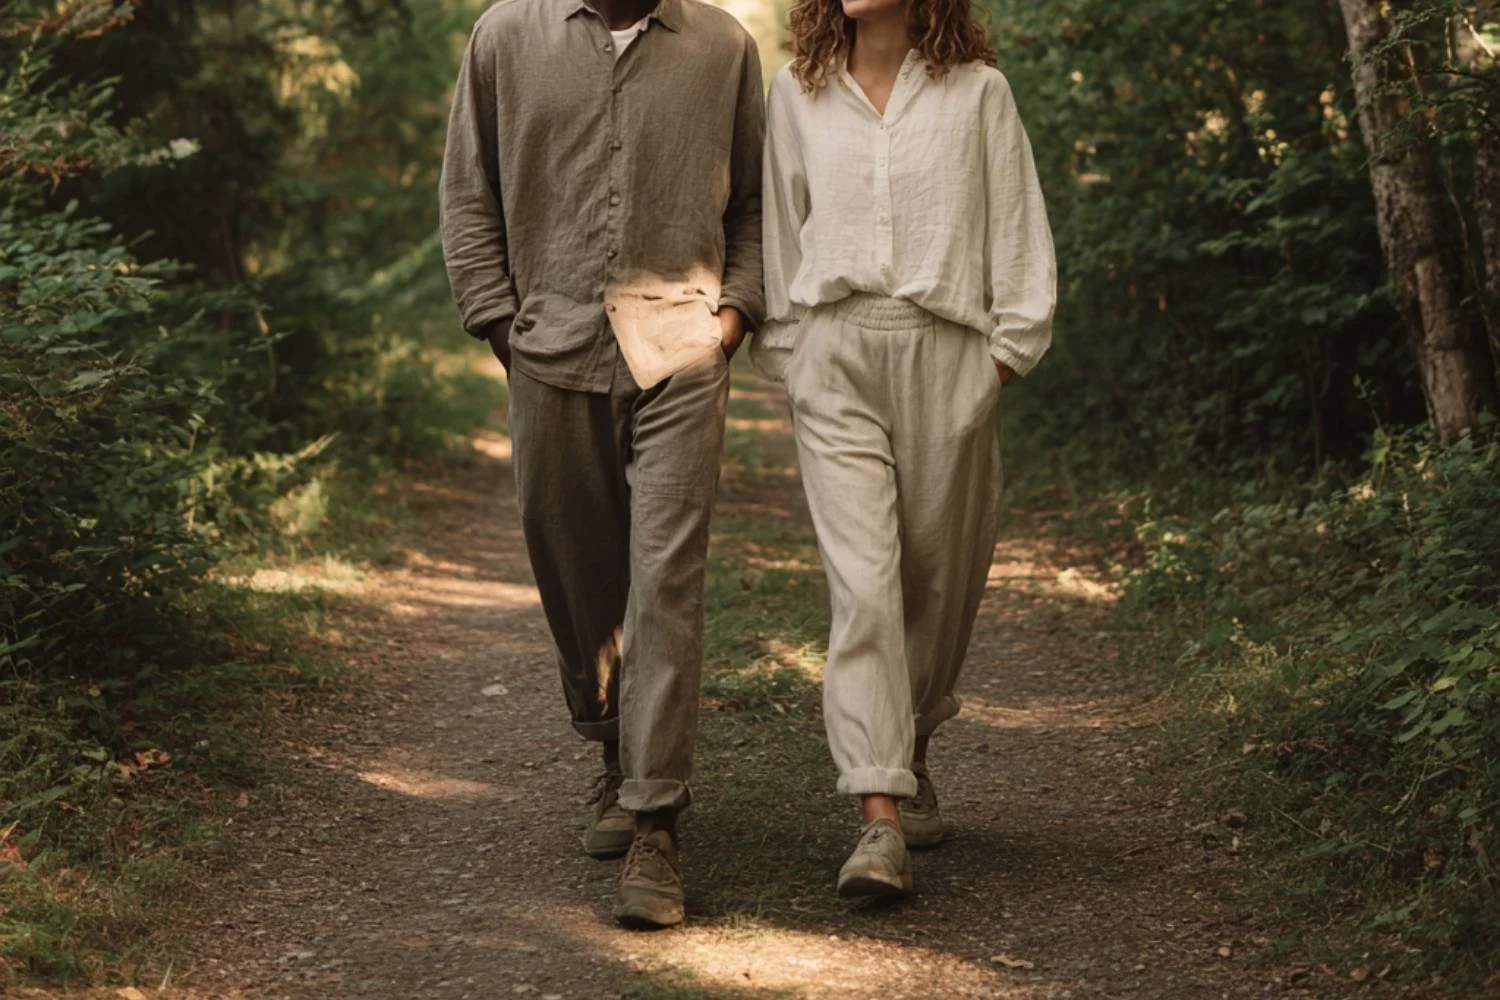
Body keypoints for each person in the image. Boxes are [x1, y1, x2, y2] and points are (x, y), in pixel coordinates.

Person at [439, 0, 764, 929]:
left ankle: (657, 819)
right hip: (549, 347)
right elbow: (469, 192)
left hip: (680, 351)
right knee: (575, 570)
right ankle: (612, 749)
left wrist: (731, 316)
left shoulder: (723, 47)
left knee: (665, 579)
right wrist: (500, 322)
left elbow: (753, 204)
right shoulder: (504, 37)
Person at [753, 0, 1055, 896]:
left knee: (935, 581)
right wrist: (793, 351)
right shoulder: (794, 93)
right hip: (838, 352)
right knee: (866, 587)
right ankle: (878, 815)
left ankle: (913, 744)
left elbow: (1018, 229)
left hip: (949, 355)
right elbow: (777, 230)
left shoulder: (979, 95)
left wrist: (998, 360)